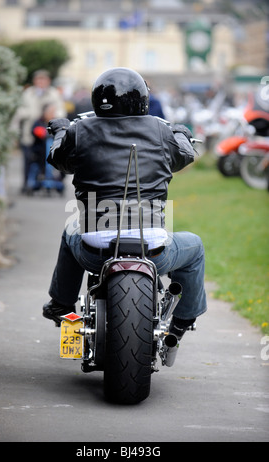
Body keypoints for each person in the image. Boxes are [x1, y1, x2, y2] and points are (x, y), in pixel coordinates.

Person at [43, 67, 207, 358]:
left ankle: (61, 304)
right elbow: (185, 156)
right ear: (142, 99)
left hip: (95, 248)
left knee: (71, 231)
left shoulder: (79, 131)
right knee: (194, 246)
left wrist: (60, 131)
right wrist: (181, 132)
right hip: (153, 248)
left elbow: (59, 161)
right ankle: (182, 321)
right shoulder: (160, 130)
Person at [11, 70, 66, 192]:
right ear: (35, 81)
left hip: (47, 135)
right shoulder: (28, 94)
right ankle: (27, 184)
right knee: (28, 160)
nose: (41, 82)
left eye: (43, 79)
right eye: (38, 79)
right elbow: (18, 112)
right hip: (29, 133)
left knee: (49, 160)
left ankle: (51, 181)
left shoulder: (54, 94)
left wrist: (51, 115)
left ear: (48, 81)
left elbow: (61, 112)